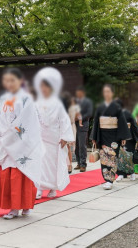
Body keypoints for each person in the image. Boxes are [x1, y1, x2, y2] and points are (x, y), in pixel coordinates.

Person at [0, 68, 43, 220]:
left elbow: (30, 121)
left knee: (22, 172)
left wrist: (11, 135)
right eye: (7, 80)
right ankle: (13, 208)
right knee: (8, 174)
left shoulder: (26, 98)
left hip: (20, 143)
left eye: (12, 80)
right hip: (3, 141)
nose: (9, 83)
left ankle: (26, 206)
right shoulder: (2, 98)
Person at [34, 68, 74, 199]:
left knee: (53, 164)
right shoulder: (36, 103)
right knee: (39, 163)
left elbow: (64, 120)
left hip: (54, 138)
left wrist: (64, 137)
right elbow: (32, 119)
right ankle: (39, 188)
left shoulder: (57, 103)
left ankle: (52, 188)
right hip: (40, 137)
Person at [92, 84, 130, 190]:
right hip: (103, 135)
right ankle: (106, 179)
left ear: (112, 93)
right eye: (105, 92)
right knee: (104, 158)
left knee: (112, 158)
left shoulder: (117, 107)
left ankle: (110, 180)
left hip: (114, 136)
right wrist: (94, 137)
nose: (106, 94)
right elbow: (96, 123)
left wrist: (123, 137)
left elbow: (122, 123)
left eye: (108, 91)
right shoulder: (100, 107)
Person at [115, 98, 138, 182]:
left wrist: (137, 138)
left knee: (128, 156)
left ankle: (131, 173)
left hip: (128, 138)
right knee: (121, 156)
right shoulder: (116, 114)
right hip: (122, 137)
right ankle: (121, 174)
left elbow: (134, 125)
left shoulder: (126, 113)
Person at [74, 86, 93, 172]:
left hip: (83, 125)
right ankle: (78, 162)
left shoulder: (88, 102)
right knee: (77, 145)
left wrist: (80, 118)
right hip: (75, 125)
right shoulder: (76, 101)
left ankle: (83, 164)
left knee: (82, 145)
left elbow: (89, 113)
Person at [68, 97, 83, 173]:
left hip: (71, 125)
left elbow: (79, 115)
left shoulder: (75, 107)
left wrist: (80, 122)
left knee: (71, 143)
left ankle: (71, 162)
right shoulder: (66, 107)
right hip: (68, 125)